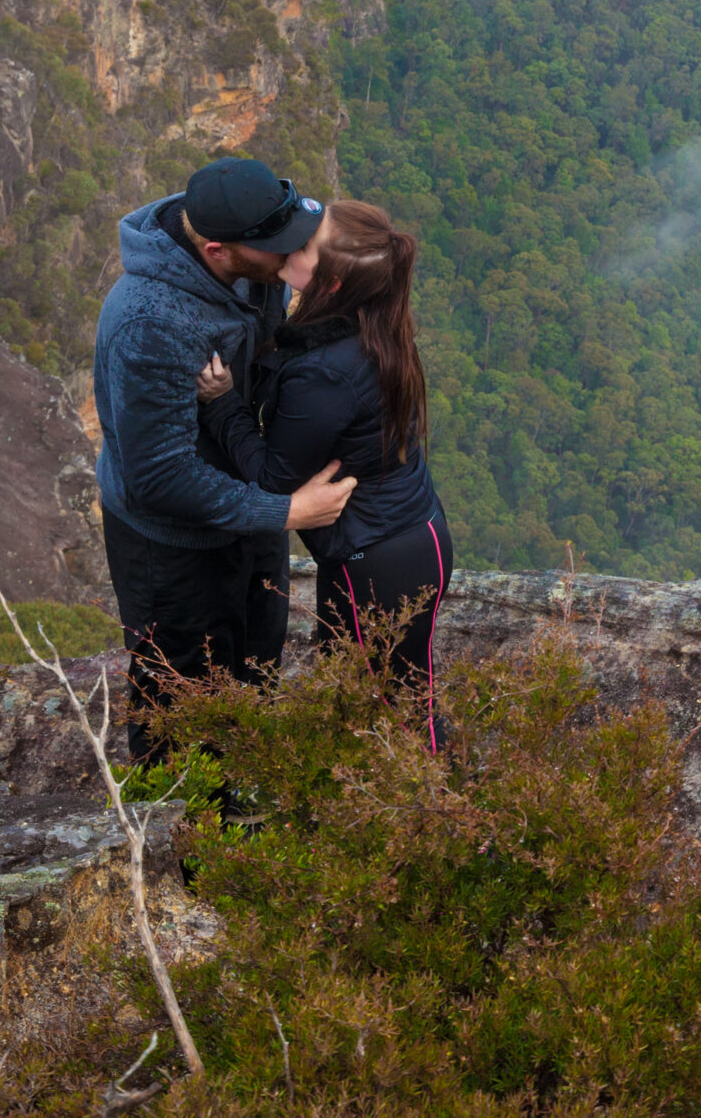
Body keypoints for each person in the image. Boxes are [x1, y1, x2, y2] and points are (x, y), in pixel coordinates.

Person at [93, 157, 357, 758]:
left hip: (249, 504)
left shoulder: (250, 251)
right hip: (173, 549)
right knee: (181, 705)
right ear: (217, 250)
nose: (292, 259)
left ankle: (243, 831)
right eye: (279, 250)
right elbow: (159, 477)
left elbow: (268, 348)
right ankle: (183, 844)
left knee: (256, 675)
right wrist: (288, 510)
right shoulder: (151, 321)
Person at [195, 200, 454, 748]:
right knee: (376, 698)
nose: (296, 239)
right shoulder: (374, 322)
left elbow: (272, 481)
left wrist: (221, 406)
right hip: (405, 536)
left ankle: (440, 823)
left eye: (309, 242)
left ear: (330, 284)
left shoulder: (325, 372)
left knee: (392, 709)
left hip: (376, 558)